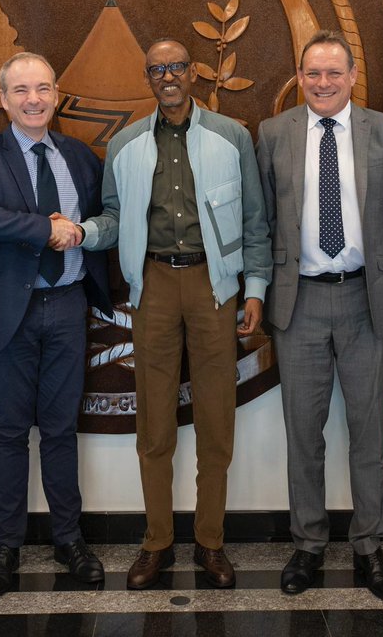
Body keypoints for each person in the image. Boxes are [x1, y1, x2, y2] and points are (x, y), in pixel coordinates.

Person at [77, 38, 271, 590]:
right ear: (149, 78)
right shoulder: (126, 144)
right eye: (157, 69)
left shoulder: (232, 137)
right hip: (153, 286)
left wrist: (254, 289)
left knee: (216, 422)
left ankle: (210, 543)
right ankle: (156, 543)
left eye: (177, 66)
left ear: (194, 73)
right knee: (155, 424)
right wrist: (85, 233)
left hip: (216, 286)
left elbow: (255, 223)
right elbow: (113, 218)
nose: (168, 76)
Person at [256, 30, 383, 602]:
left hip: (364, 303)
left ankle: (370, 546)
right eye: (312, 74)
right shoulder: (273, 133)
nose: (322, 83)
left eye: (333, 73)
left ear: (353, 77)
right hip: (297, 303)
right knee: (303, 431)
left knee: (370, 432)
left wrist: (372, 269)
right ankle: (308, 543)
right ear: (299, 78)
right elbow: (265, 220)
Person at [0, 52, 112, 598]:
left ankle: (70, 539)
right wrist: (42, 229)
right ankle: (5, 546)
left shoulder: (80, 157)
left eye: (42, 88)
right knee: (11, 432)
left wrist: (82, 234)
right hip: (9, 311)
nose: (33, 99)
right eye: (20, 90)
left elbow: (96, 221)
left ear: (57, 93)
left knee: (62, 431)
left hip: (67, 306)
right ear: (3, 99)